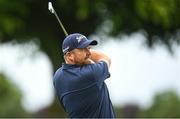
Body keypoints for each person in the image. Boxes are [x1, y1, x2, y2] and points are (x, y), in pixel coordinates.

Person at [53, 33, 115, 118]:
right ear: (70, 55)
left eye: (89, 48)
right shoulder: (91, 74)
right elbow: (106, 59)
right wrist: (89, 58)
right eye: (83, 49)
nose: (89, 53)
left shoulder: (58, 76)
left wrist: (84, 55)